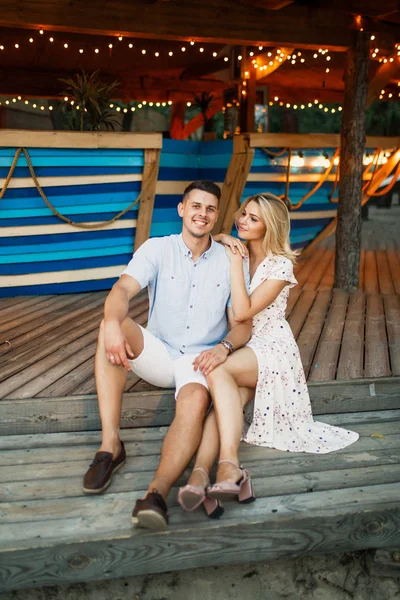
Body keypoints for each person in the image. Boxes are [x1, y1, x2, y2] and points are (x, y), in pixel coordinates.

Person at [82, 180, 252, 530]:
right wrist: (112, 322)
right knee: (109, 325)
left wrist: (223, 348)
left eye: (209, 209)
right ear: (181, 209)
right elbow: (123, 289)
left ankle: (155, 494)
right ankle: (110, 447)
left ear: (216, 215)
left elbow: (242, 325)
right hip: (159, 352)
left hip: (200, 361)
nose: (201, 214)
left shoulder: (230, 259)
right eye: (195, 206)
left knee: (192, 402)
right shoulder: (158, 248)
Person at [178, 193, 359, 508]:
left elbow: (244, 311)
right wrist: (222, 237)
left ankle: (229, 463)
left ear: (269, 227)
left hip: (270, 347)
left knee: (217, 368)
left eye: (253, 219)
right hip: (243, 344)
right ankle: (201, 476)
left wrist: (235, 260)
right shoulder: (238, 248)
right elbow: (216, 239)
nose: (242, 221)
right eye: (243, 214)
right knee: (224, 403)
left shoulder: (280, 265)